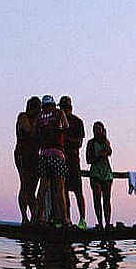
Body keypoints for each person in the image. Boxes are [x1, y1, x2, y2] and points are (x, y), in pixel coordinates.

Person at [35, 95, 70, 227]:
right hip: (57, 153)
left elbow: (34, 132)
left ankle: (37, 218)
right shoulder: (58, 112)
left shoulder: (40, 116)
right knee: (59, 188)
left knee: (42, 188)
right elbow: (66, 126)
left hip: (44, 154)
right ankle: (64, 219)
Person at [59, 95, 87, 229]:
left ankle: (82, 220)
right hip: (61, 159)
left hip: (73, 159)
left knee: (78, 191)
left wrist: (65, 138)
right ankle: (67, 219)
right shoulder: (58, 121)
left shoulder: (78, 122)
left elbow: (79, 143)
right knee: (63, 191)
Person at [14, 96, 42, 224]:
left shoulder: (39, 121)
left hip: (35, 155)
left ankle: (34, 217)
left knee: (33, 188)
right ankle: (24, 217)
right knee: (25, 185)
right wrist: (37, 119)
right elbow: (29, 131)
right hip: (22, 154)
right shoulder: (23, 117)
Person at [85, 121, 113, 228]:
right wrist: (99, 156)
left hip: (106, 173)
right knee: (97, 198)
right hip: (95, 173)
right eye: (94, 129)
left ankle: (108, 223)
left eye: (98, 129)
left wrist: (104, 151)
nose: (96, 131)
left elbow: (110, 152)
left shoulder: (106, 142)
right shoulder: (91, 143)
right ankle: (100, 222)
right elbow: (88, 159)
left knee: (106, 199)